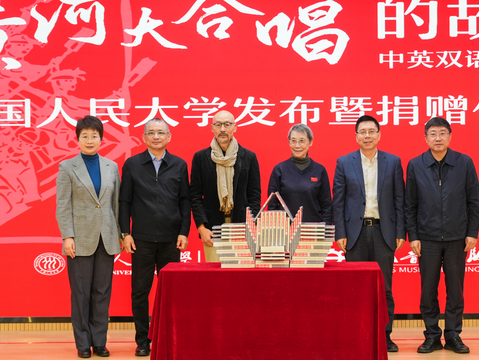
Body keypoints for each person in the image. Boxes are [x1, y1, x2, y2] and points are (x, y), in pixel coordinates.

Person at [405, 117, 479, 354]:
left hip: (457, 237)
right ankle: (432, 336)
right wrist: (413, 236)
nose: (438, 138)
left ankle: (453, 335)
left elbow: (474, 202)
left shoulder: (464, 162)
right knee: (428, 290)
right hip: (426, 238)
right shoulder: (416, 164)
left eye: (442, 133)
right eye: (433, 134)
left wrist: (472, 233)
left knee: (455, 290)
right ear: (425, 138)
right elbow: (410, 205)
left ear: (450, 136)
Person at [332, 115, 405, 353]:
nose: (367, 136)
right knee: (355, 288)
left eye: (371, 131)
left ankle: (385, 336)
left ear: (379, 135)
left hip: (384, 231)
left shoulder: (393, 162)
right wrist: (340, 232)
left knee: (384, 287)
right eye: (362, 132)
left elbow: (399, 199)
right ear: (356, 136)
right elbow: (338, 202)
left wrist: (400, 231)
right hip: (355, 233)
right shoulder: (344, 162)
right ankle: (356, 334)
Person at [119, 118, 191, 357]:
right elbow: (125, 201)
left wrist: (184, 232)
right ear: (144, 138)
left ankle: (169, 337)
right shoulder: (132, 164)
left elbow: (185, 201)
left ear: (169, 137)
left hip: (171, 239)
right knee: (140, 292)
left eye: (161, 132)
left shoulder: (179, 165)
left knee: (171, 293)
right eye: (151, 133)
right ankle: (143, 340)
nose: (156, 136)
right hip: (141, 239)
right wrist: (125, 233)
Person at [55, 115, 122, 359]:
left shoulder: (111, 166)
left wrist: (120, 234)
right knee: (81, 293)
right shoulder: (67, 167)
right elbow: (63, 205)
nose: (90, 140)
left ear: (102, 139)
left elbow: (116, 204)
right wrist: (67, 236)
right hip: (79, 239)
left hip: (107, 238)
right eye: (85, 136)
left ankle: (99, 342)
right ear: (78, 139)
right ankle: (83, 343)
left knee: (102, 292)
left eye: (95, 136)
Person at [190, 110, 261, 262]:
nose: (222, 129)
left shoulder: (249, 157)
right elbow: (195, 196)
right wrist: (202, 228)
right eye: (218, 125)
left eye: (227, 124)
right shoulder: (201, 158)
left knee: (240, 274)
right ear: (212, 128)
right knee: (214, 275)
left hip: (242, 228)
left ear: (235, 127)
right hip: (212, 229)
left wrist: (250, 226)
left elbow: (254, 196)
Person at [267, 123, 332, 223]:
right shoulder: (279, 169)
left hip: (313, 228)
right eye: (293, 141)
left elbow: (326, 205)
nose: (297, 146)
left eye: (302, 141)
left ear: (310, 142)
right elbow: (272, 205)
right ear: (289, 142)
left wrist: (325, 228)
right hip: (285, 228)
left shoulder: (320, 170)